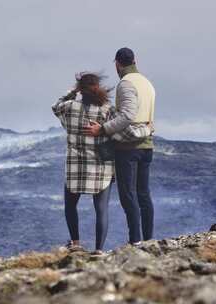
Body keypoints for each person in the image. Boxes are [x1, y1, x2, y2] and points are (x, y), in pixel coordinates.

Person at [84, 47, 156, 245]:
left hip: (128, 148)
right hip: (147, 145)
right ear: (135, 60)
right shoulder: (147, 83)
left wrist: (103, 129)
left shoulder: (126, 84)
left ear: (117, 63)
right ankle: (149, 240)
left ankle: (135, 242)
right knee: (144, 194)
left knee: (128, 196)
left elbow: (127, 115)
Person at [52, 73, 115, 254]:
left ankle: (76, 243)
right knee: (101, 210)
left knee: (70, 206)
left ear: (80, 88)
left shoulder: (70, 107)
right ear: (98, 87)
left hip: (75, 165)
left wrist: (72, 92)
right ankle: (99, 250)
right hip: (100, 166)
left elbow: (55, 107)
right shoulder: (107, 109)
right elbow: (116, 129)